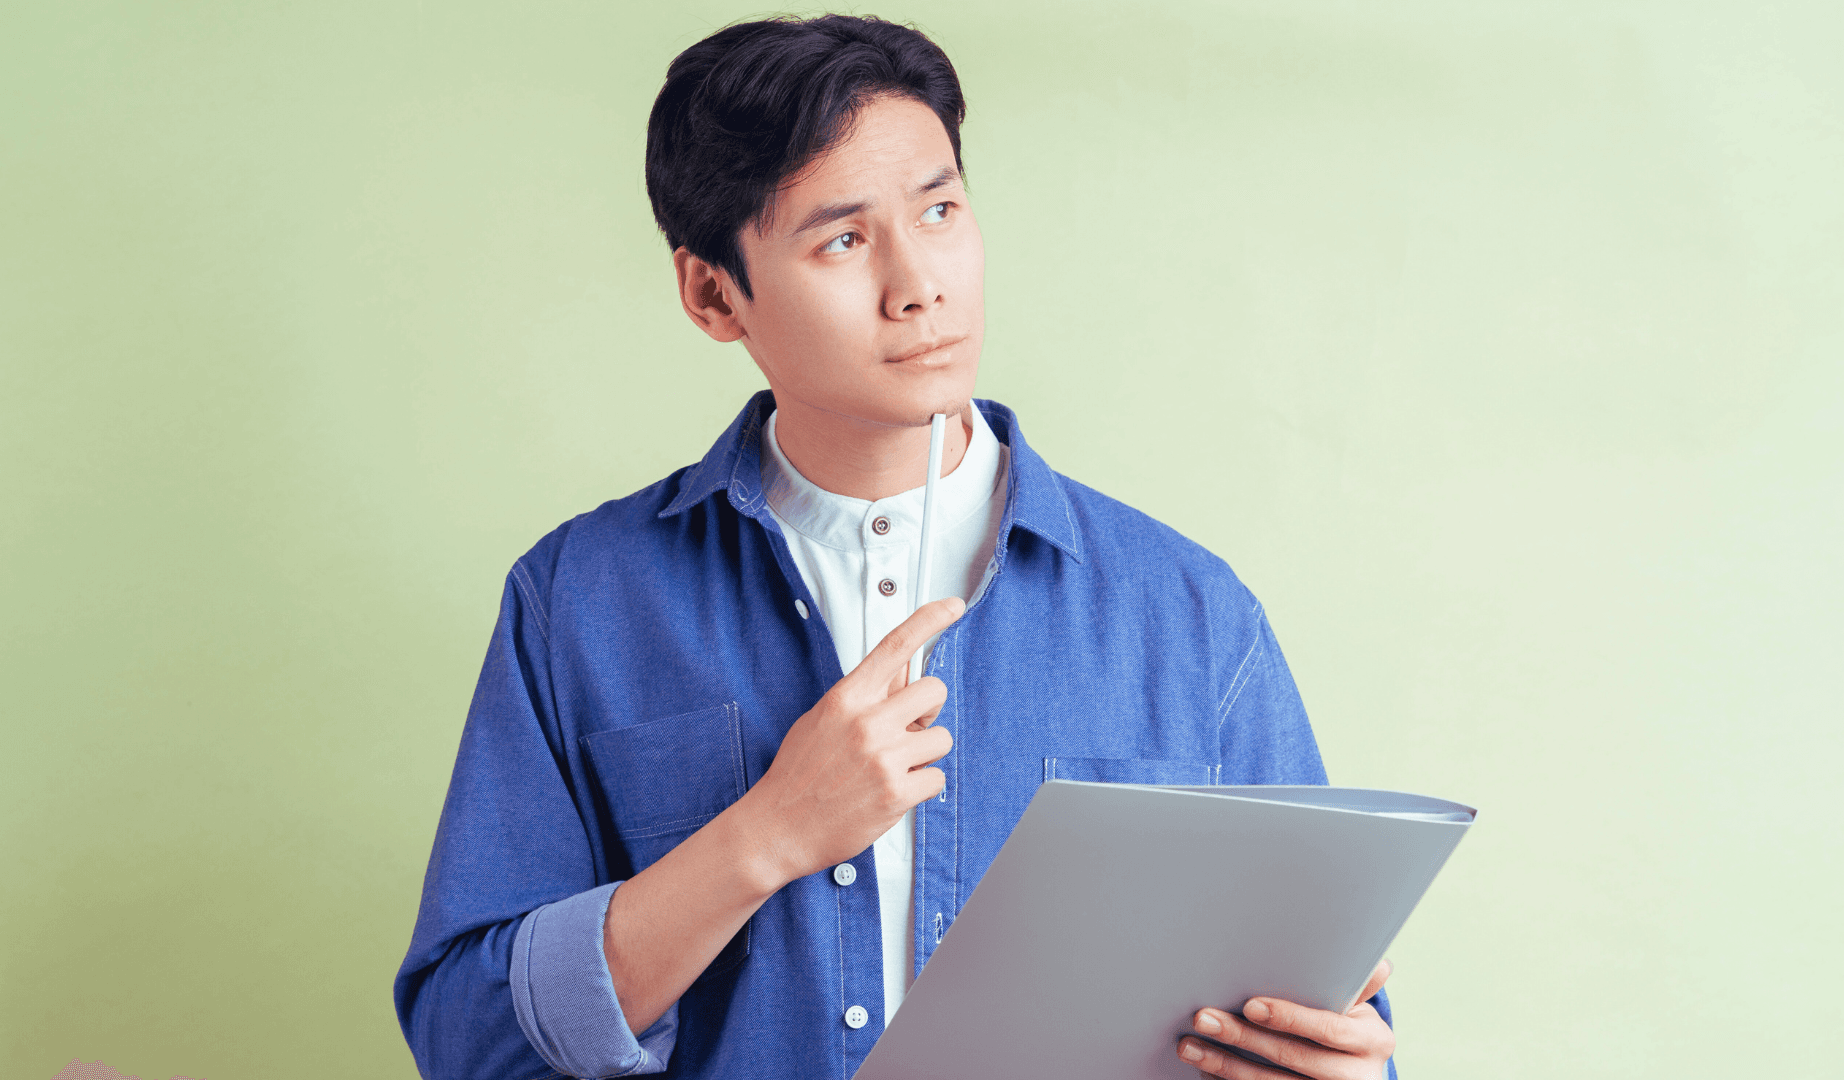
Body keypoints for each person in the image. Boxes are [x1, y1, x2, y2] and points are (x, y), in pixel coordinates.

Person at [393, 14, 1397, 1080]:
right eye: (842, 238)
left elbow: (1323, 1024)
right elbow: (469, 1038)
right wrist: (764, 836)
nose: (919, 283)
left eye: (941, 209)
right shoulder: (580, 601)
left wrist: (1339, 1066)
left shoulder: (1187, 613)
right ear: (711, 292)